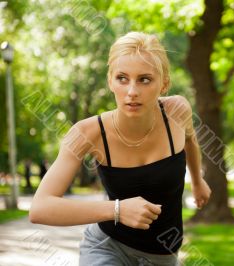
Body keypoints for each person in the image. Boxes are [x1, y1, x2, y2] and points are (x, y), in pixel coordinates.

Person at [29, 31, 211, 266]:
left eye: (144, 79)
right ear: (110, 81)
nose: (132, 91)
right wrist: (116, 210)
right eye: (122, 78)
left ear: (164, 83)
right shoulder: (88, 133)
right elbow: (40, 207)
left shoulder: (177, 111)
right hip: (106, 248)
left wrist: (197, 181)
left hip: (163, 256)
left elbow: (190, 141)